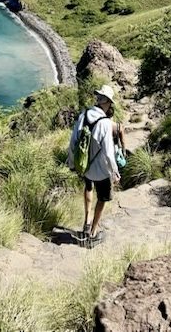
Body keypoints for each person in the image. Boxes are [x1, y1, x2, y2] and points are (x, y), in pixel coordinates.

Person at [67, 83, 120, 244]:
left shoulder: (83, 115)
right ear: (108, 102)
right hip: (101, 170)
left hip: (84, 165)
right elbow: (109, 152)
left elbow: (73, 141)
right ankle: (93, 233)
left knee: (88, 188)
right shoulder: (105, 123)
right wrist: (114, 171)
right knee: (103, 198)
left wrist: (72, 162)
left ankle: (87, 221)